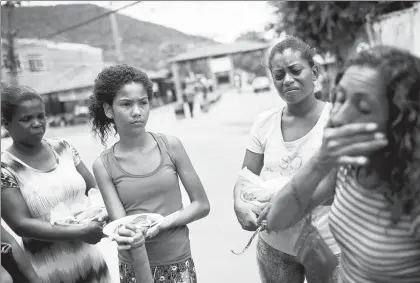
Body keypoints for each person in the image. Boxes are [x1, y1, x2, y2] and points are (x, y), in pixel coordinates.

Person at [261, 45, 420, 282]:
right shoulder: (350, 168)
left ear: (399, 119)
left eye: (362, 107)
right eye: (339, 99)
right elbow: (276, 220)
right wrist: (321, 161)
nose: (338, 117)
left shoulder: (414, 193)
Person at [89, 64, 210, 283]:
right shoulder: (103, 165)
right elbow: (121, 225)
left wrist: (165, 223)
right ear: (108, 110)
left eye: (143, 103)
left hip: (177, 260)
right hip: (134, 266)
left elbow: (201, 205)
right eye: (126, 104)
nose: (137, 111)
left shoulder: (171, 146)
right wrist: (120, 232)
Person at [233, 36, 340, 283]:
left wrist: (288, 205)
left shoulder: (336, 120)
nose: (287, 80)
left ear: (314, 72)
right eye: (279, 75)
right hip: (275, 246)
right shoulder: (264, 123)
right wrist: (238, 203)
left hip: (329, 245)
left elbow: (344, 185)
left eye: (295, 70)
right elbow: (246, 176)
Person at [0, 86, 112, 283]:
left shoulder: (63, 148)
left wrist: (101, 214)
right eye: (26, 119)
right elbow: (20, 224)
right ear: (6, 124)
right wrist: (80, 231)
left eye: (40, 116)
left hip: (91, 261)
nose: (37, 124)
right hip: (48, 269)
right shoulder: (5, 168)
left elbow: (93, 190)